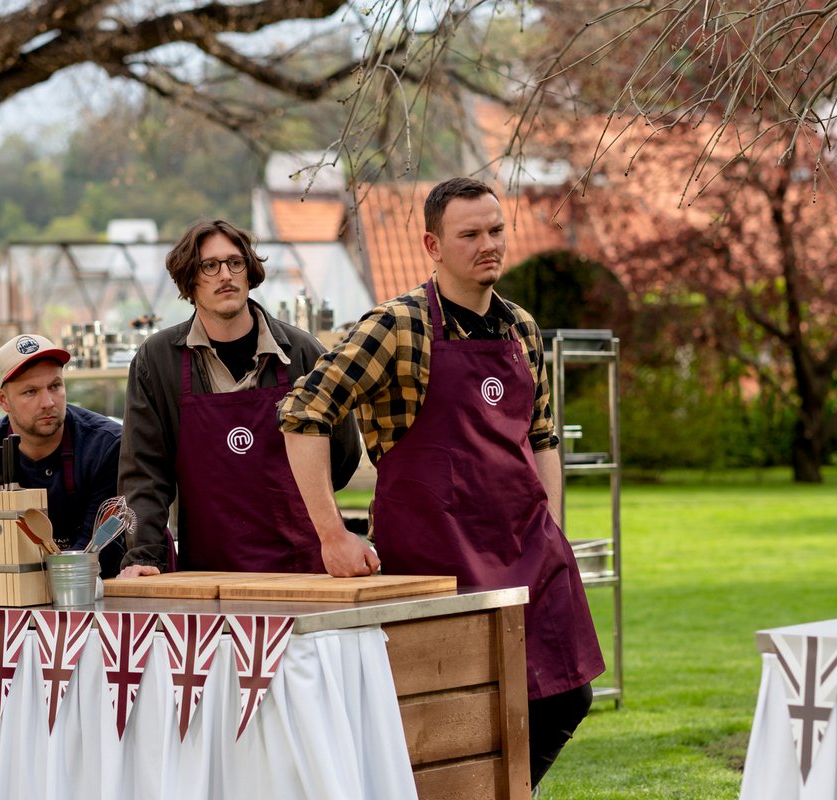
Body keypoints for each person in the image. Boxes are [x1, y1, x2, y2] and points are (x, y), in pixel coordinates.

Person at [279, 177, 605, 787]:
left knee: (567, 696)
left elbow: (542, 436)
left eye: (496, 230)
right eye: (470, 234)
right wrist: (332, 534)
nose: (490, 245)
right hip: (438, 556)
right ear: (432, 244)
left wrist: (553, 529)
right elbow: (304, 410)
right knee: (451, 719)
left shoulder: (521, 329)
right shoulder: (397, 326)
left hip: (526, 549)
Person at [117, 219, 362, 576]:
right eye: (209, 266)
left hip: (305, 569)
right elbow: (144, 474)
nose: (225, 275)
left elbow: (343, 454)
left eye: (235, 262)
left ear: (250, 272)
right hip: (209, 574)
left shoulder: (301, 354)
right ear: (190, 280)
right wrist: (143, 557)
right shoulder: (158, 361)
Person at [0, 333, 124, 576]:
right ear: (2, 400)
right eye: (30, 392)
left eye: (55, 386)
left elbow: (95, 549)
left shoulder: (106, 445)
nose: (48, 402)